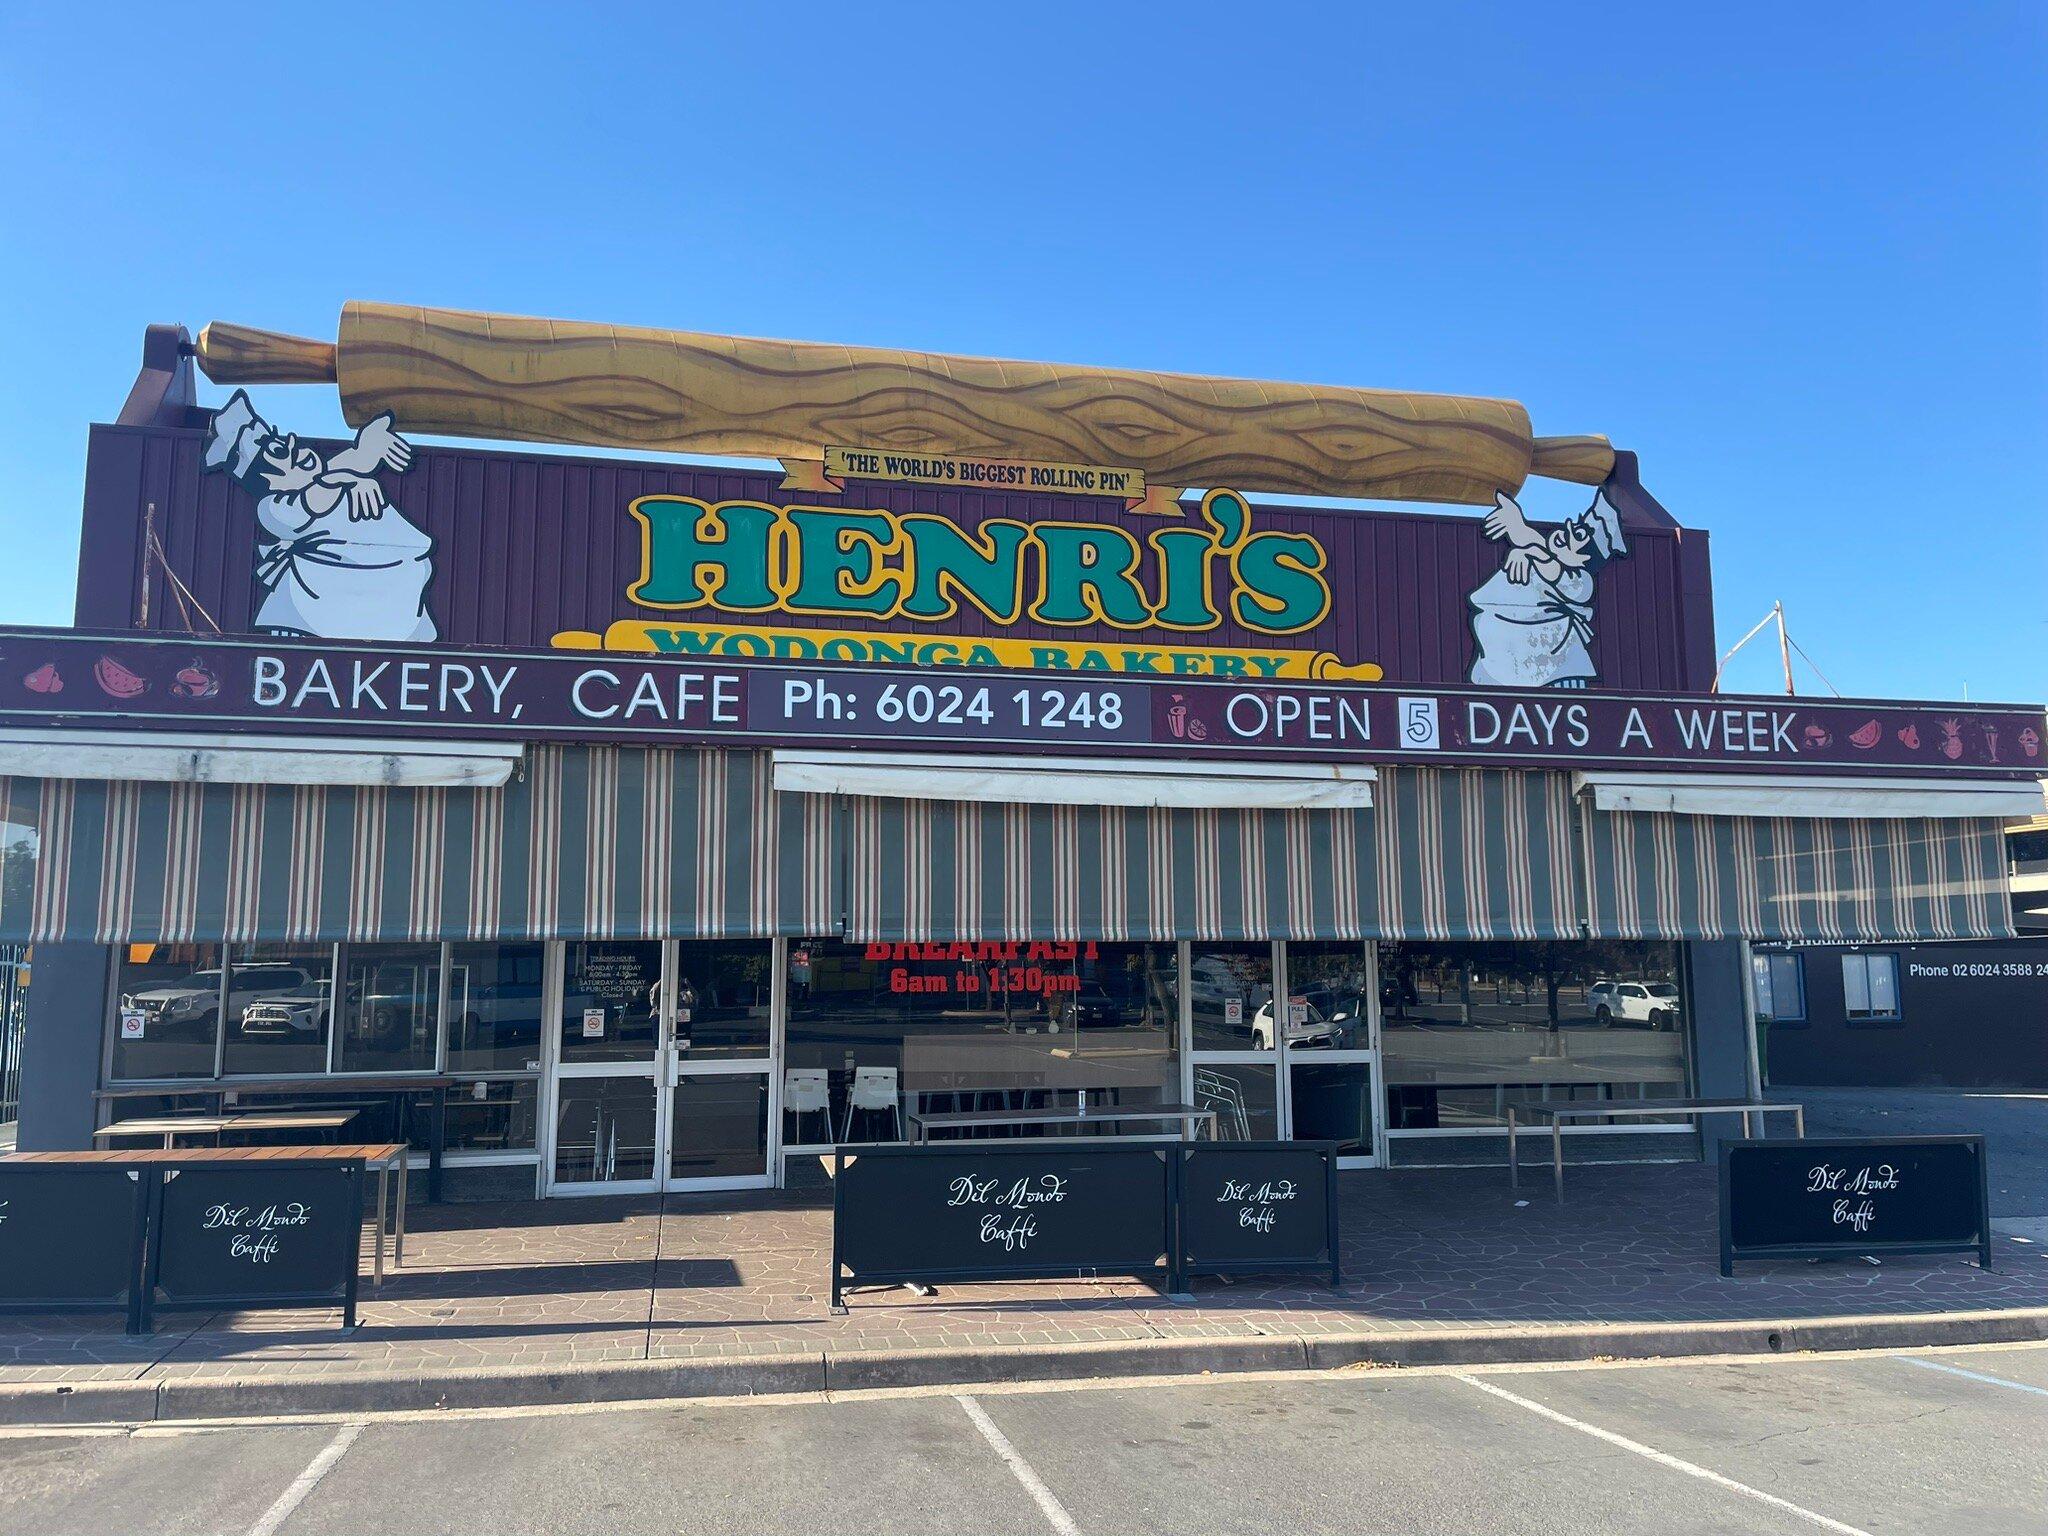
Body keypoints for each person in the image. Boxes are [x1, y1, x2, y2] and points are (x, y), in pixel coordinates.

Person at [202, 389, 437, 642]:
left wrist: (372, 440)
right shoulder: (274, 508)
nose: (291, 443)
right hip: (315, 626)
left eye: (283, 439)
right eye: (277, 450)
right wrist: (345, 478)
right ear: (266, 479)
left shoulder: (326, 474)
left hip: (401, 618)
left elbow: (359, 457)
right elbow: (312, 502)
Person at [1467, 488, 1628, 688]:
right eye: (1574, 523)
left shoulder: (1581, 582)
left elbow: (1553, 571)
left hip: (1556, 675)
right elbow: (1529, 537)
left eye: (1578, 534)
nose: (1567, 527)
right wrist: (1516, 526)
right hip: (1499, 669)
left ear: (1586, 558)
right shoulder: (1549, 554)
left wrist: (1530, 551)